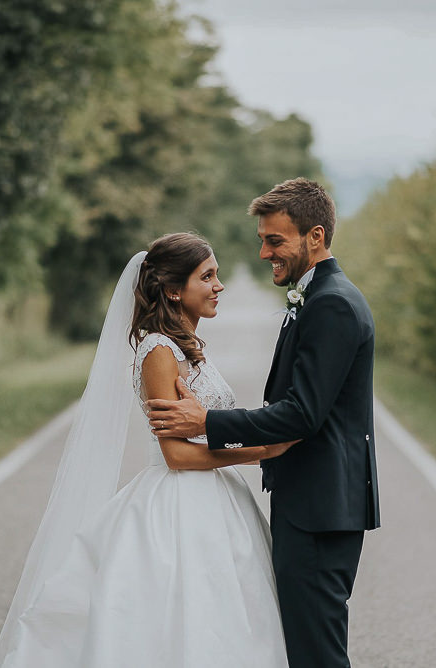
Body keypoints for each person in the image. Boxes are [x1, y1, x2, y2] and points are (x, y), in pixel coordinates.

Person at [0, 233, 294, 668]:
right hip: (178, 502)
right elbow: (177, 456)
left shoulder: (189, 345)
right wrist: (260, 451)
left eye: (217, 275)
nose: (219, 285)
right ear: (173, 289)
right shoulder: (158, 350)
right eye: (207, 276)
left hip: (219, 497)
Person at [148, 178, 381, 668]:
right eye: (262, 240)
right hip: (312, 505)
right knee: (304, 647)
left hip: (320, 508)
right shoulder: (317, 297)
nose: (263, 253)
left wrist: (207, 420)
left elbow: (302, 414)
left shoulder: (332, 303)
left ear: (315, 237)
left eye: (275, 240)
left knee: (317, 654)